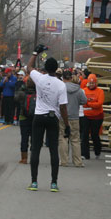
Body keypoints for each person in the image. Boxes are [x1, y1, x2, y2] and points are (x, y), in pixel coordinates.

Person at [26, 46, 70, 192]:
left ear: (45, 68)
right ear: (56, 69)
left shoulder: (39, 78)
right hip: (53, 117)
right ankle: (54, 183)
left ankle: (34, 182)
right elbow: (63, 107)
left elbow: (29, 67)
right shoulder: (61, 85)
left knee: (36, 149)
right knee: (53, 151)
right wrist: (67, 124)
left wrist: (35, 53)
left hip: (39, 116)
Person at [59, 69, 87, 167]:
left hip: (63, 117)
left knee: (63, 138)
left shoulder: (61, 88)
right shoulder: (78, 89)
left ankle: (64, 161)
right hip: (75, 116)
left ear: (62, 78)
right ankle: (78, 161)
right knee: (75, 140)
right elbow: (84, 101)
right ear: (71, 78)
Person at [81, 74, 105, 160]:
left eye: (93, 83)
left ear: (96, 83)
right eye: (90, 83)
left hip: (97, 116)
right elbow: (82, 102)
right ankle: (84, 154)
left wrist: (89, 104)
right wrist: (91, 104)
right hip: (86, 116)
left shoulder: (100, 91)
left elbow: (99, 104)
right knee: (84, 135)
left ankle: (97, 151)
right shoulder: (83, 90)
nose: (91, 85)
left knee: (95, 135)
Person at [15, 75, 36, 163]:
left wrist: (21, 88)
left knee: (24, 138)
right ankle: (34, 156)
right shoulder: (38, 93)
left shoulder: (22, 93)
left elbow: (15, 99)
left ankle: (24, 158)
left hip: (23, 116)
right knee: (34, 138)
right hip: (35, 117)